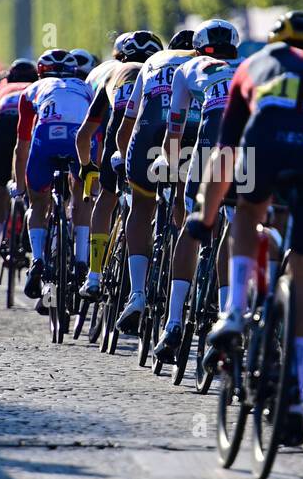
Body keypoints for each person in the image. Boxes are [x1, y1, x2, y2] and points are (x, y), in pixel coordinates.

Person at [188, 10, 303, 445]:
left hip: (267, 144)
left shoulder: (252, 65)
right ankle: (294, 393)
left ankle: (234, 313)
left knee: (247, 211)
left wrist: (205, 217)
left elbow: (224, 154)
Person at [153, 19, 242, 364]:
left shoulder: (189, 68)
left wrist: (170, 166)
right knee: (234, 232)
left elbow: (175, 129)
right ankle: (225, 320)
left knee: (192, 230)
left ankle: (173, 324)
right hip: (246, 147)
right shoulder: (250, 67)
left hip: (209, 145)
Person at [114, 28, 198, 333]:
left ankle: (136, 293)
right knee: (187, 205)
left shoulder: (154, 62)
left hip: (151, 130)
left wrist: (125, 163)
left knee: (141, 206)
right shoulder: (213, 68)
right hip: (195, 132)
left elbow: (127, 125)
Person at [75, 32, 161, 300]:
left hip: (119, 133)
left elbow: (84, 134)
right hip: (154, 133)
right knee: (150, 203)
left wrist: (87, 166)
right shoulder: (162, 72)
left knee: (106, 200)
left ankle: (94, 275)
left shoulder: (114, 72)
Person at [14, 49, 93, 300]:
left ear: (40, 72)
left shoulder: (31, 91)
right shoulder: (86, 86)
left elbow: (22, 144)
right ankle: (81, 260)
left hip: (46, 137)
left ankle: (37, 259)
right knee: (81, 197)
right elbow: (98, 128)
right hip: (78, 138)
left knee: (38, 203)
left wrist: (20, 185)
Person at [0, 59, 38, 286]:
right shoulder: (38, 88)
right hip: (27, 131)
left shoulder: (0, 92)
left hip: (3, 131)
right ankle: (35, 245)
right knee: (37, 192)